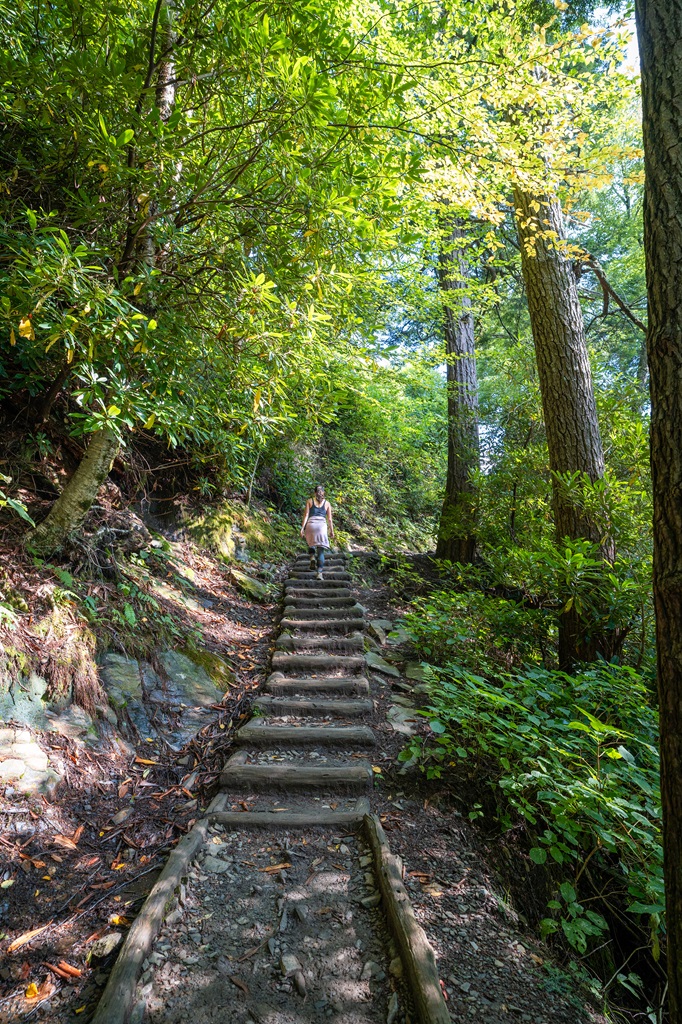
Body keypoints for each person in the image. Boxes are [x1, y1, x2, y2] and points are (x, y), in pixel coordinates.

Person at [301, 484, 334, 578]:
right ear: (323, 492)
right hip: (322, 527)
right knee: (321, 551)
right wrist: (332, 531)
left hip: (311, 525)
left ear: (315, 493)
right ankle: (319, 573)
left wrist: (302, 528)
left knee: (311, 542)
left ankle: (311, 557)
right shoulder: (327, 503)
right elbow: (330, 519)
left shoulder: (309, 501)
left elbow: (306, 515)